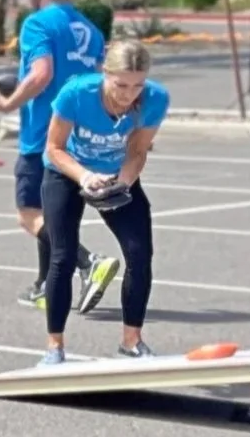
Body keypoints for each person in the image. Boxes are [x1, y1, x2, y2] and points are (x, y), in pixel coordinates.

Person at [0, 0, 107, 315]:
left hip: (43, 135)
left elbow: (41, 74)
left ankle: (88, 262)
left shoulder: (38, 24)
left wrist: (9, 103)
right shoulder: (92, 30)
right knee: (51, 213)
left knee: (28, 215)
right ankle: (45, 286)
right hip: (79, 136)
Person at [39, 36, 168, 364]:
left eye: (137, 86)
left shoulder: (155, 98)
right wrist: (84, 177)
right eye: (120, 85)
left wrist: (122, 183)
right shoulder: (76, 93)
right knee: (63, 257)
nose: (128, 94)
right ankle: (54, 347)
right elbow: (54, 149)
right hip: (67, 171)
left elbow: (137, 151)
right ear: (104, 73)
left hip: (116, 173)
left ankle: (131, 342)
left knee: (139, 254)